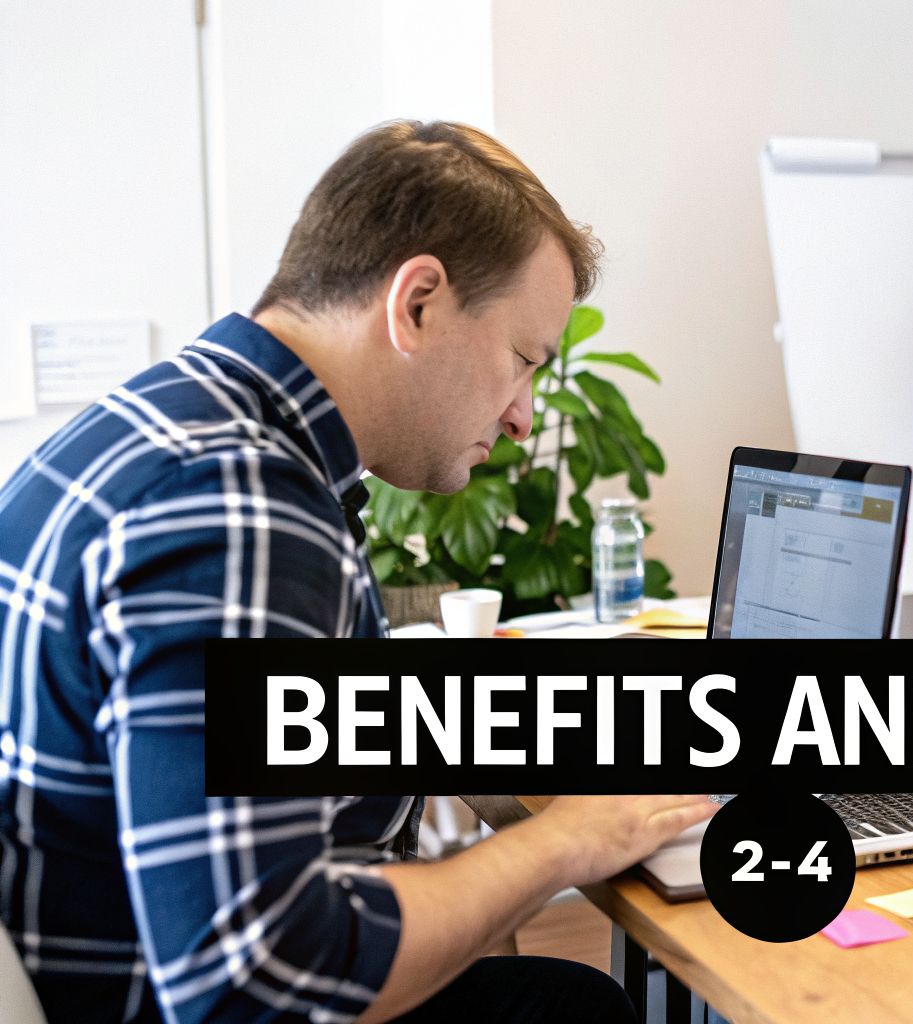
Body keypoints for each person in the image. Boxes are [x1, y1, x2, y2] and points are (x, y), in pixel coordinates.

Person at [0, 121, 714, 1023]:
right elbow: (252, 985)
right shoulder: (236, 508)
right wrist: (567, 842)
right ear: (416, 302)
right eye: (523, 360)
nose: (524, 416)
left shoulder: (170, 422)